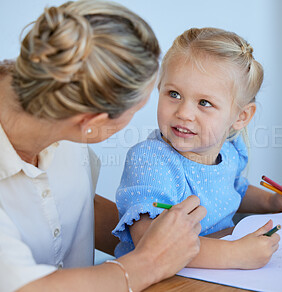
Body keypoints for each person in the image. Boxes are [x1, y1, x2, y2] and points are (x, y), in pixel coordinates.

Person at [0, 1, 207, 291]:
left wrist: (153, 235)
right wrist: (150, 261)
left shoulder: (62, 96)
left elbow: (74, 206)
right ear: (90, 121)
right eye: (136, 110)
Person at [113, 27, 282, 269]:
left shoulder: (229, 151)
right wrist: (234, 254)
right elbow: (151, 244)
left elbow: (233, 190)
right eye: (174, 94)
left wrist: (272, 202)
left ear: (241, 116)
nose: (184, 113)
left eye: (204, 102)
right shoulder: (151, 161)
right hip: (159, 280)